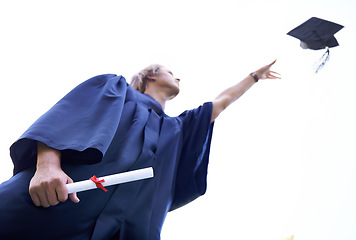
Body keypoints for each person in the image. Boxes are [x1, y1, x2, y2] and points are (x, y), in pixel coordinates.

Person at [0, 61, 280, 239]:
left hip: (124, 230)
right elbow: (68, 115)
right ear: (150, 75)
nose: (178, 77)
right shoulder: (116, 87)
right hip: (57, 197)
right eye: (171, 72)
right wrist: (47, 165)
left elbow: (221, 101)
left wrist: (254, 76)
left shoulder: (179, 129)